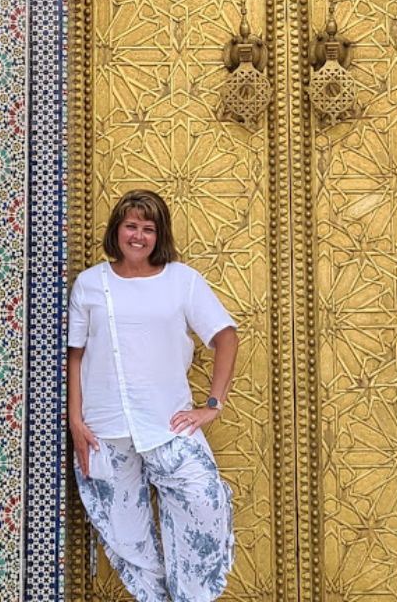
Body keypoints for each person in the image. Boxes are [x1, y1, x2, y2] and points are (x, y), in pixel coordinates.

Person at [67, 189, 239, 602]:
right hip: (104, 431)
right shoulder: (91, 284)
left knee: (204, 501)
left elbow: (226, 337)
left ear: (159, 235)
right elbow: (75, 356)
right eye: (131, 226)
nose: (139, 236)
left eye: (148, 228)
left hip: (168, 424)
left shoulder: (182, 280)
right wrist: (76, 421)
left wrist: (212, 406)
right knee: (126, 537)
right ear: (117, 230)